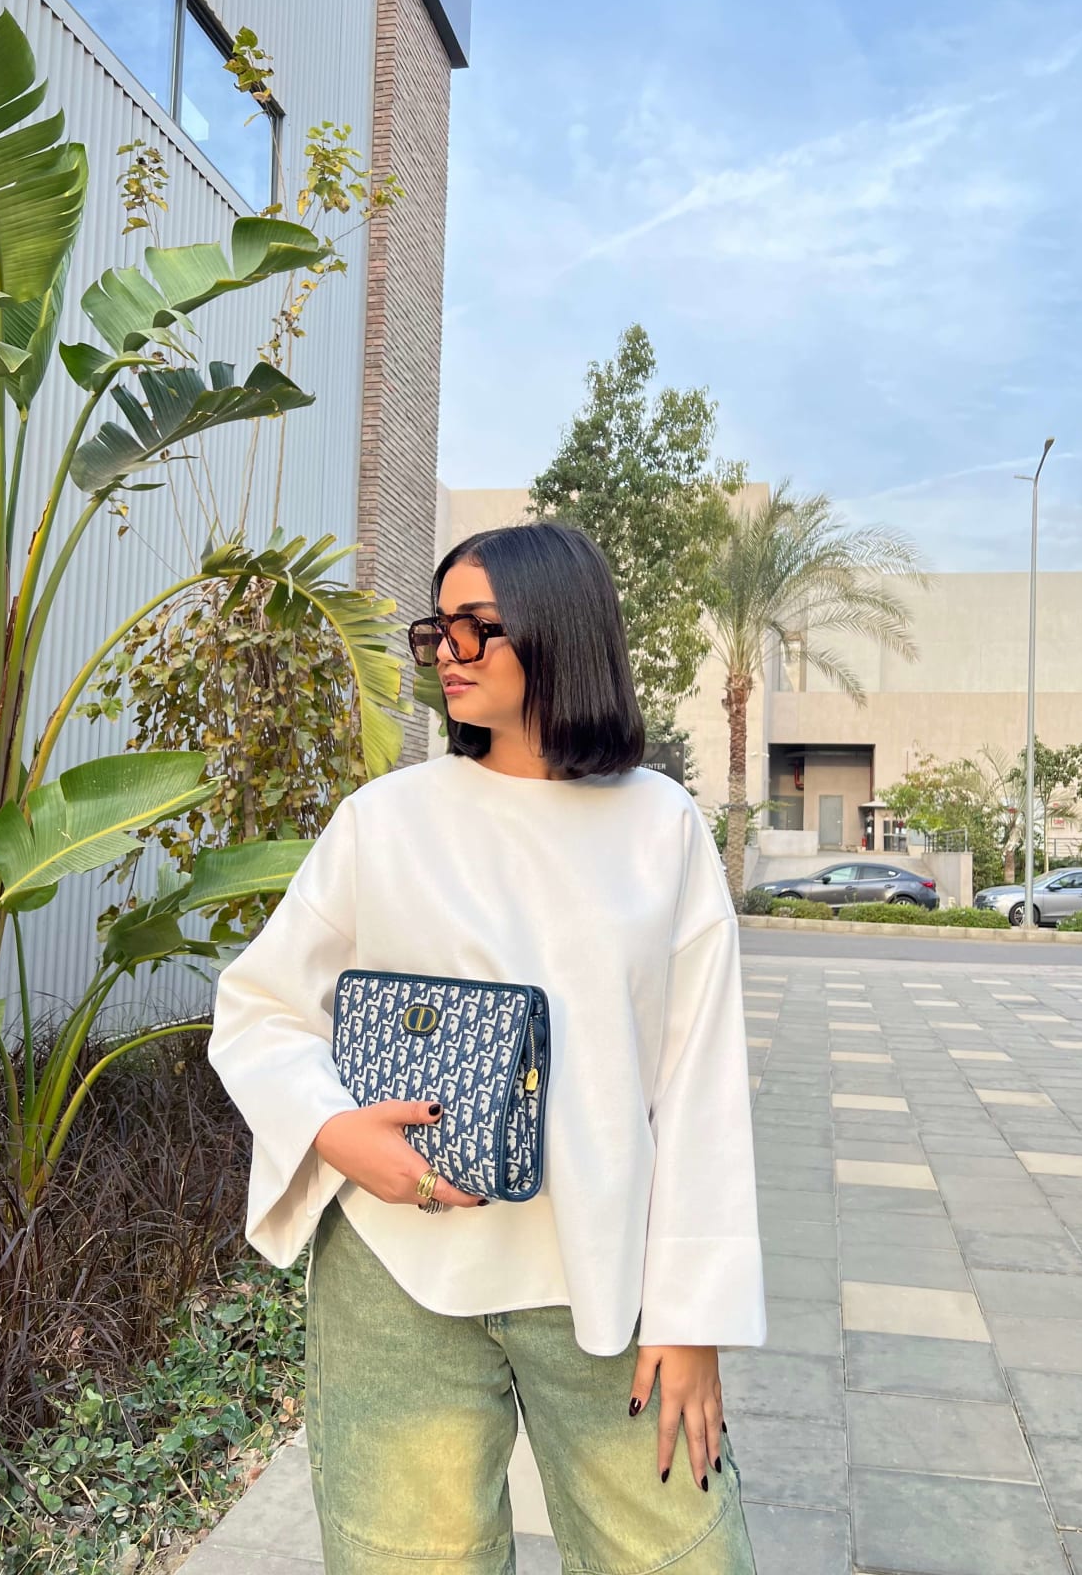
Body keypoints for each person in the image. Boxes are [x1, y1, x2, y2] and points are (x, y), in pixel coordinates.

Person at [209, 522, 765, 1575]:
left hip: (603, 1275)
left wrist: (694, 1317)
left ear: (560, 629)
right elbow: (261, 1003)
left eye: (477, 626)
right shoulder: (384, 820)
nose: (447, 652)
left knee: (679, 1555)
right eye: (438, 628)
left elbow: (701, 1084)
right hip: (395, 1268)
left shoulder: (662, 828)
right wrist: (332, 1130)